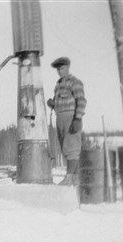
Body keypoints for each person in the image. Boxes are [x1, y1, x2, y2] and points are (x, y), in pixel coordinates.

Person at [46, 57, 87, 186]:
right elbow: (61, 102)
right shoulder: (58, 84)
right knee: (65, 148)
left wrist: (77, 118)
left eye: (62, 68)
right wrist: (53, 104)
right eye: (58, 69)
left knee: (72, 148)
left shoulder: (75, 82)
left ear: (68, 67)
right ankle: (75, 179)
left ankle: (69, 178)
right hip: (60, 117)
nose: (59, 71)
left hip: (71, 118)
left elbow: (81, 101)